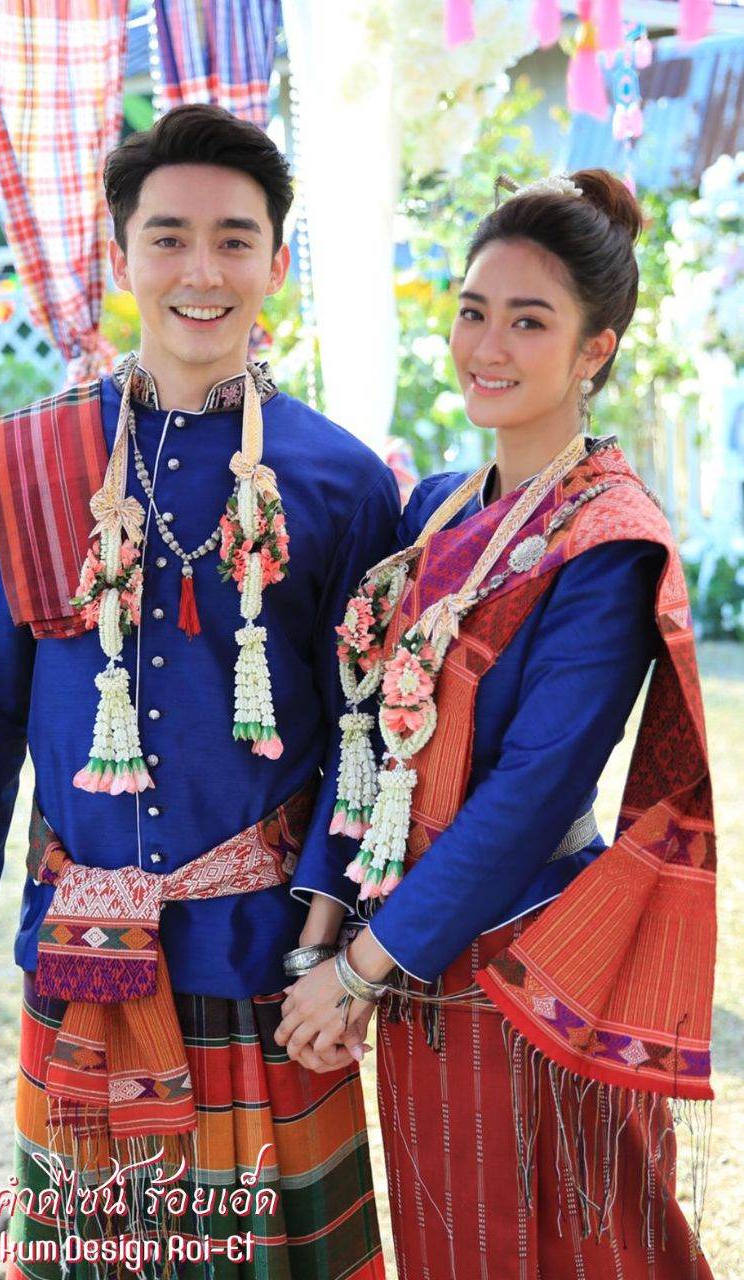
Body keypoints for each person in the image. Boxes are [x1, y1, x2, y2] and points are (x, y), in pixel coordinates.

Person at [0, 104, 396, 1279]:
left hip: (261, 956)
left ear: (277, 262)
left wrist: (331, 938)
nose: (201, 270)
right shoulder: (32, 462)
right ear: (120, 251)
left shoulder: (339, 479)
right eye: (169, 235)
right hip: (83, 953)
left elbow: (367, 738)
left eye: (235, 239)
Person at [276, 169, 716, 1279]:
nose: (490, 343)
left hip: (527, 969)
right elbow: (366, 730)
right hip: (411, 960)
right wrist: (321, 944)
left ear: (596, 349)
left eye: (531, 320)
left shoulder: (607, 537)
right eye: (476, 309)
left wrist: (364, 970)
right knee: (450, 1246)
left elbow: (532, 792)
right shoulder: (434, 508)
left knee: (571, 1247)